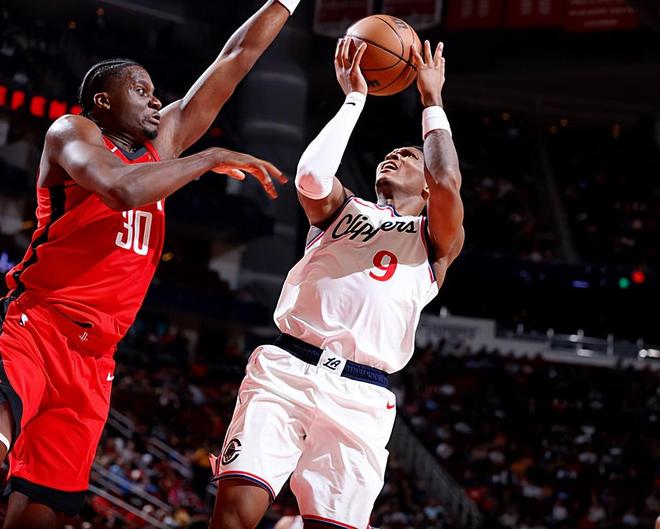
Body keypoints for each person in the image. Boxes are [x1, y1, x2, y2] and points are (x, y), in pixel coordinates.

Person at [0, 1, 302, 527]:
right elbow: (119, 189)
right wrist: (208, 157)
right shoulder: (74, 131)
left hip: (96, 359)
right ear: (103, 101)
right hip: (36, 326)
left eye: (155, 91)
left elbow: (237, 56)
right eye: (141, 90)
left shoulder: (162, 148)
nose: (156, 100)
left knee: (41, 514)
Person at [209, 37, 464, 529]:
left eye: (409, 155)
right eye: (391, 152)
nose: (394, 155)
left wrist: (432, 101)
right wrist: (354, 99)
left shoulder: (435, 238)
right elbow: (309, 177)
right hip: (287, 369)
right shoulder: (343, 209)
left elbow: (449, 183)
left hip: (362, 394)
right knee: (233, 518)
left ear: (426, 183)